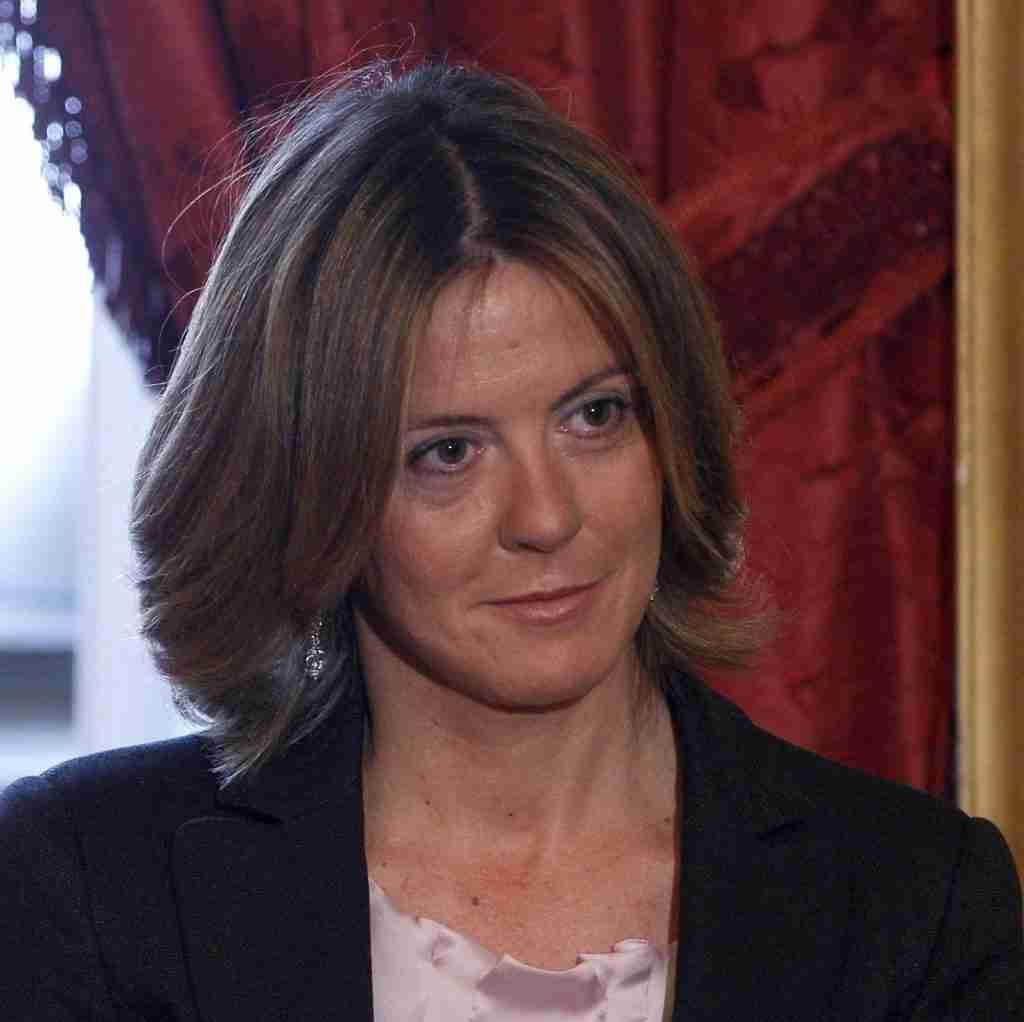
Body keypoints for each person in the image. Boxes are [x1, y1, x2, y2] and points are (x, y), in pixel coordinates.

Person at [1, 61, 1020, 1022]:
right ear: (305, 488)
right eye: (447, 452)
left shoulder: (917, 907)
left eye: (595, 416)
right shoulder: (87, 887)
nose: (546, 517)